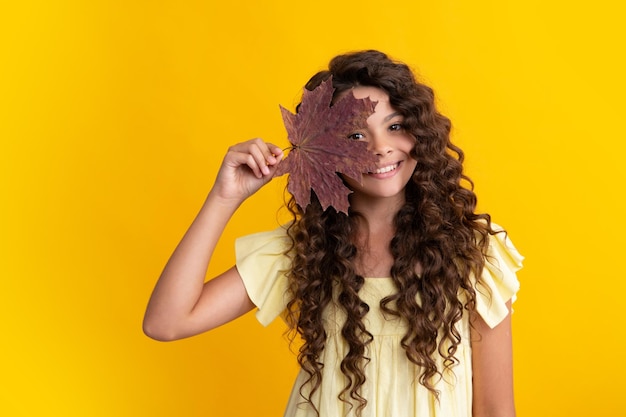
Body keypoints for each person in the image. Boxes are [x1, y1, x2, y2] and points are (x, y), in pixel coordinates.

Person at [143, 50, 523, 417]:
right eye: (355, 136)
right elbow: (167, 322)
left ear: (419, 134)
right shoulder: (303, 251)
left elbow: (494, 409)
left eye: (395, 126)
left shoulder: (473, 252)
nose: (381, 148)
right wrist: (224, 197)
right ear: (325, 151)